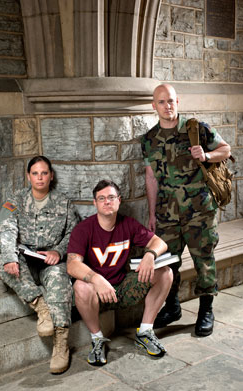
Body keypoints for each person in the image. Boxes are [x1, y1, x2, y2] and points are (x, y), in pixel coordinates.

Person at [141, 84, 231, 337]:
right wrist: (151, 214)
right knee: (169, 261)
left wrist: (206, 156)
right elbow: (151, 177)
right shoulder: (148, 140)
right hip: (167, 213)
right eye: (161, 102)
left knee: (203, 259)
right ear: (154, 105)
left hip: (199, 210)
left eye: (170, 101)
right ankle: (172, 307)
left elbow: (226, 150)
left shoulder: (197, 129)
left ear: (177, 101)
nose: (167, 106)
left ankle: (206, 310)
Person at [67, 179, 173, 366]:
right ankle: (98, 339)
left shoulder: (128, 224)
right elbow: (72, 265)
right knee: (81, 286)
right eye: (102, 198)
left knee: (165, 272)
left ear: (119, 200)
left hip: (123, 288)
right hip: (97, 293)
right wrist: (96, 279)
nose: (107, 202)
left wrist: (150, 255)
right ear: (95, 203)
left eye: (111, 197)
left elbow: (160, 243)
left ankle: (145, 332)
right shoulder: (83, 229)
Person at [0, 155, 79, 374]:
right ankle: (42, 308)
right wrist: (11, 257)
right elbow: (5, 229)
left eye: (44, 173)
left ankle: (61, 343)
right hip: (25, 260)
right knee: (2, 259)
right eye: (35, 173)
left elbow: (74, 233)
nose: (40, 178)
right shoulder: (15, 200)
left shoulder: (63, 201)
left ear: (51, 176)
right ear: (28, 176)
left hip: (51, 261)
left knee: (60, 280)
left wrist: (58, 251)